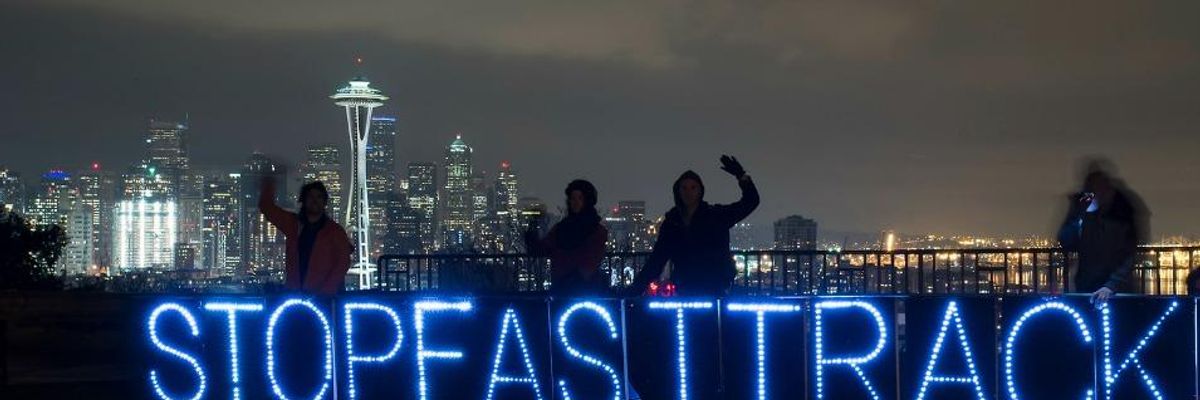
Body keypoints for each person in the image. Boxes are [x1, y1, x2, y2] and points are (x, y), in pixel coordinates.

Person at [628, 155, 759, 296]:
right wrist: (634, 289)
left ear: (700, 191)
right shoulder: (672, 223)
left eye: (693, 187)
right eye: (684, 188)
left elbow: (750, 202)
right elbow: (657, 260)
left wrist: (742, 176)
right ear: (678, 191)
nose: (688, 192)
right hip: (687, 287)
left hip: (714, 287)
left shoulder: (716, 215)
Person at [1057, 161, 1148, 305]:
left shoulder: (1122, 214)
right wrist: (1078, 214)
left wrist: (1111, 285)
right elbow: (1065, 240)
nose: (1095, 195)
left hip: (1117, 291)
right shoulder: (1083, 212)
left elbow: (1129, 254)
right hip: (1089, 286)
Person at [259, 178, 353, 295]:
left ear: (324, 202)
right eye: (310, 197)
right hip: (296, 294)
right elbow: (267, 208)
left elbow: (343, 262)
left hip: (324, 298)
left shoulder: (335, 232)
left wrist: (326, 290)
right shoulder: (293, 225)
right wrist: (270, 182)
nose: (314, 201)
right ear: (303, 200)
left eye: (319, 197)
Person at [525, 179, 610, 295]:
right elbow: (541, 249)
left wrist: (576, 277)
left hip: (585, 289)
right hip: (561, 287)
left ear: (587, 201)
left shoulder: (597, 231)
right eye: (572, 198)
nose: (575, 202)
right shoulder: (560, 228)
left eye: (580, 198)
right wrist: (532, 229)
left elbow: (592, 259)